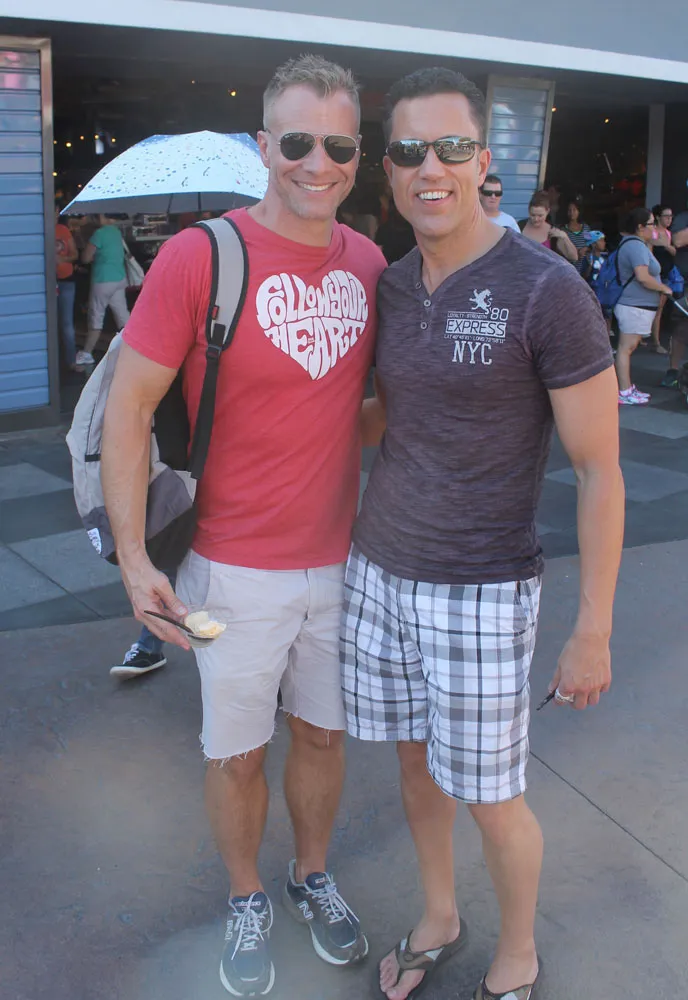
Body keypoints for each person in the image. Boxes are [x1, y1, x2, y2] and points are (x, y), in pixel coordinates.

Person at [100, 54, 386, 997]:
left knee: (323, 741)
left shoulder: (369, 264)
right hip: (228, 569)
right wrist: (135, 559)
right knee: (237, 753)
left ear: (357, 154)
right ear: (264, 146)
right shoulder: (201, 257)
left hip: (341, 564)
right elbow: (129, 411)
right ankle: (245, 894)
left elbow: (354, 412)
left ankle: (311, 876)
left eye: (337, 145)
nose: (317, 163)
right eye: (297, 141)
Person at [341, 67, 624, 1000]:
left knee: (494, 798)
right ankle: (439, 915)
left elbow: (600, 469)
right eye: (410, 151)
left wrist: (593, 628)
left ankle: (520, 952)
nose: (431, 168)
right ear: (389, 169)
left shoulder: (546, 289)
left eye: (451, 147)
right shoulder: (391, 286)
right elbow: (390, 417)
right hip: (379, 569)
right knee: (415, 768)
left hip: (482, 588)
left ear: (481, 159)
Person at [614, 207, 673, 405]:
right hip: (634, 305)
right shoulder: (635, 246)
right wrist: (663, 287)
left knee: (629, 347)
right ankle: (624, 390)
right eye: (651, 224)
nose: (654, 228)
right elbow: (643, 277)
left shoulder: (638, 245)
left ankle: (627, 388)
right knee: (626, 348)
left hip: (639, 305)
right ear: (640, 227)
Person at [78, 214, 130, 368]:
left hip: (103, 279)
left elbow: (85, 258)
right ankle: (134, 348)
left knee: (96, 315)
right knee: (123, 316)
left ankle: (87, 353)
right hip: (119, 278)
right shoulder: (116, 232)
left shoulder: (99, 234)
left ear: (102, 217)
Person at [520, 191, 578, 262]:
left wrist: (565, 237)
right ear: (529, 210)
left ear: (547, 211)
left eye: (540, 215)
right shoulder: (520, 226)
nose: (536, 219)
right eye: (533, 215)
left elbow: (574, 257)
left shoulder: (553, 232)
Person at [55, 203, 79, 371]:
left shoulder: (63, 229)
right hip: (48, 282)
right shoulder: (40, 228)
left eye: (57, 211)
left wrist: (62, 259)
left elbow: (75, 254)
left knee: (66, 323)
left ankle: (71, 361)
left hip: (66, 280)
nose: (55, 213)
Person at [649, 204, 675, 354]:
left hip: (666, 274)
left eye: (671, 216)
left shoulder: (668, 233)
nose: (669, 219)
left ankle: (655, 340)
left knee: (659, 308)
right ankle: (655, 341)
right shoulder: (652, 232)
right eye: (666, 216)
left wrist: (668, 247)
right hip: (654, 274)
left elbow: (672, 250)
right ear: (658, 217)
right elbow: (649, 249)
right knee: (653, 307)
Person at [562, 199, 591, 274]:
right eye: (569, 210)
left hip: (586, 269)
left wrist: (585, 249)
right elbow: (561, 250)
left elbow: (590, 245)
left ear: (579, 211)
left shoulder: (585, 228)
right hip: (570, 269)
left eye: (574, 210)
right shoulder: (563, 231)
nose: (572, 213)